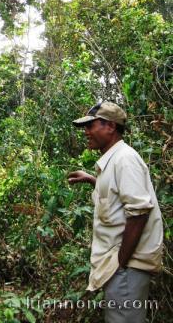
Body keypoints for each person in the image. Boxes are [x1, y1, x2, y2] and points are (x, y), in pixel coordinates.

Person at [68, 101, 163, 323]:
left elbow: (139, 213)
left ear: (110, 126)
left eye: (91, 126)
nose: (86, 132)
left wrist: (120, 263)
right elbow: (118, 197)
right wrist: (93, 180)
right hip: (121, 267)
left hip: (127, 267)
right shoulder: (113, 161)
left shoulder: (125, 160)